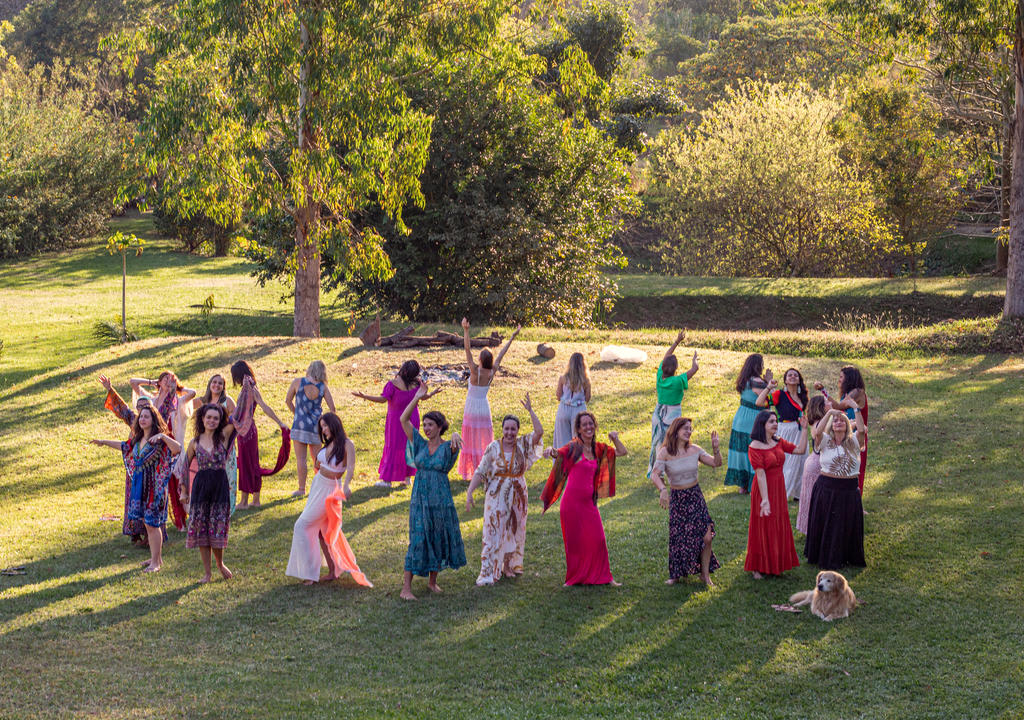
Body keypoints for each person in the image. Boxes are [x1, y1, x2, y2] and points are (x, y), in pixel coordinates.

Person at [465, 393, 544, 586]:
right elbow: (481, 471)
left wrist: (531, 411)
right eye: (507, 429)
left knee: (514, 529)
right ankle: (487, 571)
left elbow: (539, 432)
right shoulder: (493, 447)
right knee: (493, 529)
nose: (510, 433)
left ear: (517, 430)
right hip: (496, 494)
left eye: (513, 429)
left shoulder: (522, 444)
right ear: (502, 430)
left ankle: (508, 566)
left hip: (518, 492)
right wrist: (469, 492)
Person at [91, 405, 181, 572]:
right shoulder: (138, 441)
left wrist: (163, 435)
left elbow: (178, 449)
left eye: (146, 417)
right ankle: (156, 559)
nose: (142, 419)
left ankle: (156, 563)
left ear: (153, 420)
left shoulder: (159, 440)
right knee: (148, 525)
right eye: (141, 417)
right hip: (140, 489)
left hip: (155, 489)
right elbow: (124, 446)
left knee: (153, 524)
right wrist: (104, 442)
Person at [286, 412, 372, 587]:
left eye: (326, 425)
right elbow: (318, 465)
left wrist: (346, 486)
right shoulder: (327, 445)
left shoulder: (347, 444)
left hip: (330, 492)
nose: (323, 430)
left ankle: (309, 573)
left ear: (335, 424)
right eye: (322, 427)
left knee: (301, 525)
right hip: (317, 486)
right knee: (321, 531)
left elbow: (350, 468)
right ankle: (333, 571)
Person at [541, 412, 627, 586]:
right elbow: (558, 453)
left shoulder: (598, 449)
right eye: (584, 425)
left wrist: (615, 438)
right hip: (571, 504)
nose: (588, 427)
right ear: (579, 429)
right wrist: (550, 451)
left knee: (598, 539)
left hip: (589, 503)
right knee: (575, 543)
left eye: (591, 424)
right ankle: (574, 578)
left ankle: (605, 577)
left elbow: (622, 451)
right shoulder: (574, 447)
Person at [400, 383, 465, 600]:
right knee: (418, 537)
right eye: (425, 425)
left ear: (439, 427)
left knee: (437, 535)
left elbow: (456, 442)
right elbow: (403, 419)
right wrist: (417, 397)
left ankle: (432, 582)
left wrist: (455, 432)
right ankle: (405, 589)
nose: (426, 428)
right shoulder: (419, 443)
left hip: (440, 498)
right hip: (420, 498)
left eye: (430, 425)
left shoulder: (448, 447)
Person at [650, 417, 721, 587]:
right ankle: (675, 575)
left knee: (707, 536)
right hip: (678, 498)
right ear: (675, 430)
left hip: (695, 496)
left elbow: (716, 463)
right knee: (679, 538)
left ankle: (705, 575)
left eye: (690, 429)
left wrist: (716, 448)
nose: (689, 431)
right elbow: (655, 473)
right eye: (685, 428)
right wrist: (663, 490)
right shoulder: (665, 452)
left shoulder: (695, 450)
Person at [744, 410, 808, 579]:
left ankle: (775, 562)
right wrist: (765, 499)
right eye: (771, 421)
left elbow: (800, 450)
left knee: (778, 521)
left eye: (776, 421)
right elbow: (761, 474)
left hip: (779, 488)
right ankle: (757, 566)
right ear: (762, 425)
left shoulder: (778, 442)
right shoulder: (754, 447)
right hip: (764, 489)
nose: (775, 424)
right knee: (763, 524)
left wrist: (805, 429)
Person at [179, 403, 238, 583]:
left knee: (217, 529)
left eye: (216, 418)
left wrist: (248, 389)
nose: (212, 421)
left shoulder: (224, 436)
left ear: (220, 421)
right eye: (209, 417)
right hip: (201, 488)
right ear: (202, 419)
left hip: (220, 487)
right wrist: (183, 491)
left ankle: (220, 564)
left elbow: (242, 414)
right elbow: (184, 466)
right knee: (201, 530)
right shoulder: (194, 443)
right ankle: (207, 573)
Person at [98, 374, 159, 544]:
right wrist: (110, 389)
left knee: (149, 499)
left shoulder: (157, 426)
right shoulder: (134, 420)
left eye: (145, 406)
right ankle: (135, 532)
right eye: (139, 406)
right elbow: (122, 408)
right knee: (134, 497)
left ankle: (151, 534)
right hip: (134, 466)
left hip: (151, 468)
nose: (141, 409)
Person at [457, 318, 521, 480]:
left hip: (472, 406)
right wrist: (513, 336)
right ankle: (485, 468)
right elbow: (502, 353)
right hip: (483, 406)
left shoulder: (474, 371)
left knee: (470, 436)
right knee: (484, 438)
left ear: (480, 360)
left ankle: (470, 472)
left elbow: (467, 348)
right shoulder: (491, 372)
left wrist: (465, 330)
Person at [804, 407, 867, 569]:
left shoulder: (854, 442)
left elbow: (861, 429)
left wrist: (856, 408)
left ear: (847, 425)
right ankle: (824, 556)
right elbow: (817, 432)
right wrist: (830, 413)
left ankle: (846, 557)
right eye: (835, 421)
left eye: (842, 421)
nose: (838, 423)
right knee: (829, 526)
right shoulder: (825, 441)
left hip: (849, 490)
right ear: (831, 425)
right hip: (827, 489)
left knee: (844, 526)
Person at [352, 359, 422, 488]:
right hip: (413, 418)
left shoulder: (393, 384)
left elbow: (382, 399)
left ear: (403, 370)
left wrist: (365, 396)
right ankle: (407, 478)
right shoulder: (417, 384)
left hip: (396, 421)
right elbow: (422, 396)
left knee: (393, 447)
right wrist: (432, 394)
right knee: (409, 446)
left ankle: (387, 480)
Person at [230, 360, 290, 509]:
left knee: (246, 465)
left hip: (246, 431)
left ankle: (245, 501)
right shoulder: (250, 385)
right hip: (249, 430)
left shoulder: (247, 387)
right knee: (251, 464)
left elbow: (263, 406)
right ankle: (255, 500)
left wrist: (279, 422)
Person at [647, 330, 699, 478]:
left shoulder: (659, 378)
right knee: (673, 444)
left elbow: (666, 357)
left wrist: (676, 342)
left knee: (658, 444)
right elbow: (695, 369)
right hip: (672, 416)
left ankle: (657, 472)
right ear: (675, 369)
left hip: (659, 414)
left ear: (663, 367)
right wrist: (695, 359)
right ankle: (673, 471)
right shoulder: (678, 381)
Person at [755, 367, 808, 500]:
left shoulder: (803, 396)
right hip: (785, 430)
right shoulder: (779, 395)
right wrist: (768, 387)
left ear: (799, 380)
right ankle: (780, 493)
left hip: (800, 430)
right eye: (789, 375)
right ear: (785, 380)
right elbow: (759, 402)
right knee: (788, 463)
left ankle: (798, 494)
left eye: (795, 375)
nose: (792, 377)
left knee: (802, 462)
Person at [285, 360, 337, 498]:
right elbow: (332, 409)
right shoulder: (323, 387)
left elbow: (287, 400)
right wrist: (325, 423)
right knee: (318, 459)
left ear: (309, 369)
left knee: (301, 459)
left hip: (299, 426)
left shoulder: (297, 382)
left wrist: (296, 413)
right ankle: (321, 487)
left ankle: (301, 489)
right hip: (316, 427)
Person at [815, 366, 869, 494]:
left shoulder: (857, 392)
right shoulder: (848, 394)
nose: (839, 380)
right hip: (845, 434)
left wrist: (823, 390)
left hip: (857, 434)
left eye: (841, 377)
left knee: (856, 467)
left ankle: (857, 500)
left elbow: (838, 407)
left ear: (849, 378)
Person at [191, 374, 238, 515]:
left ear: (224, 386)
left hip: (223, 445)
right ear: (209, 384)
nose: (216, 385)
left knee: (228, 476)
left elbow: (236, 420)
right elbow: (183, 405)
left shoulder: (227, 401)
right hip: (205, 445)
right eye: (214, 382)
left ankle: (227, 509)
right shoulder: (202, 401)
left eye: (220, 383)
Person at [725, 354, 768, 493]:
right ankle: (752, 484)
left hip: (740, 417)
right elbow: (768, 399)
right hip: (753, 419)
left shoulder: (744, 380)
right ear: (758, 366)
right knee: (753, 450)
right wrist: (769, 382)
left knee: (741, 451)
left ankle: (742, 486)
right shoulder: (757, 381)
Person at [796, 396, 827, 535]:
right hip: (817, 464)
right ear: (820, 407)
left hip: (816, 462)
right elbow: (816, 434)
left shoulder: (822, 421)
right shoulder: (818, 423)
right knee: (814, 499)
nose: (831, 404)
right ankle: (812, 529)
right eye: (827, 403)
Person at [552, 352, 591, 450]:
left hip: (564, 408)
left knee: (561, 441)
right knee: (579, 440)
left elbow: (558, 395)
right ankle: (577, 462)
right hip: (579, 410)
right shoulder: (586, 380)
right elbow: (587, 398)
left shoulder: (563, 378)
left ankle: (561, 463)